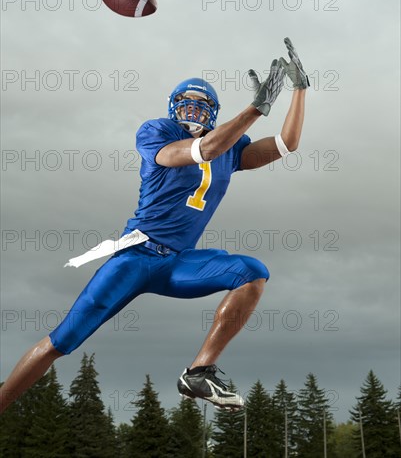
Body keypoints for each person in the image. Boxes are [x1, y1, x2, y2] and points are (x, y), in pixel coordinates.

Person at [0, 37, 310, 413]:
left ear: (213, 112)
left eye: (202, 104)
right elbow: (205, 150)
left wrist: (299, 90)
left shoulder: (231, 147)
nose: (193, 109)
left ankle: (198, 372)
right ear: (172, 107)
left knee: (251, 273)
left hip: (177, 261)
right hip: (136, 256)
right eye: (186, 102)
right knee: (60, 342)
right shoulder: (157, 132)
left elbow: (285, 145)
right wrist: (256, 108)